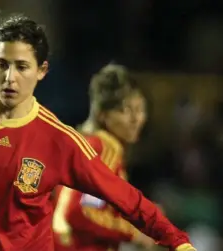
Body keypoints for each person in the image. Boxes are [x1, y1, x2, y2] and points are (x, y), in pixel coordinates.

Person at [0, 14, 196, 251]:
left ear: (42, 70)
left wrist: (177, 240)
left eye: (22, 66)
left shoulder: (59, 140)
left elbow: (125, 198)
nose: (10, 77)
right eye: (2, 64)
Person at [52, 63, 158, 251]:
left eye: (140, 109)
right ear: (103, 115)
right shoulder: (104, 148)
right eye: (125, 111)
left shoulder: (85, 145)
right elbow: (82, 210)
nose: (136, 119)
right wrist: (134, 231)